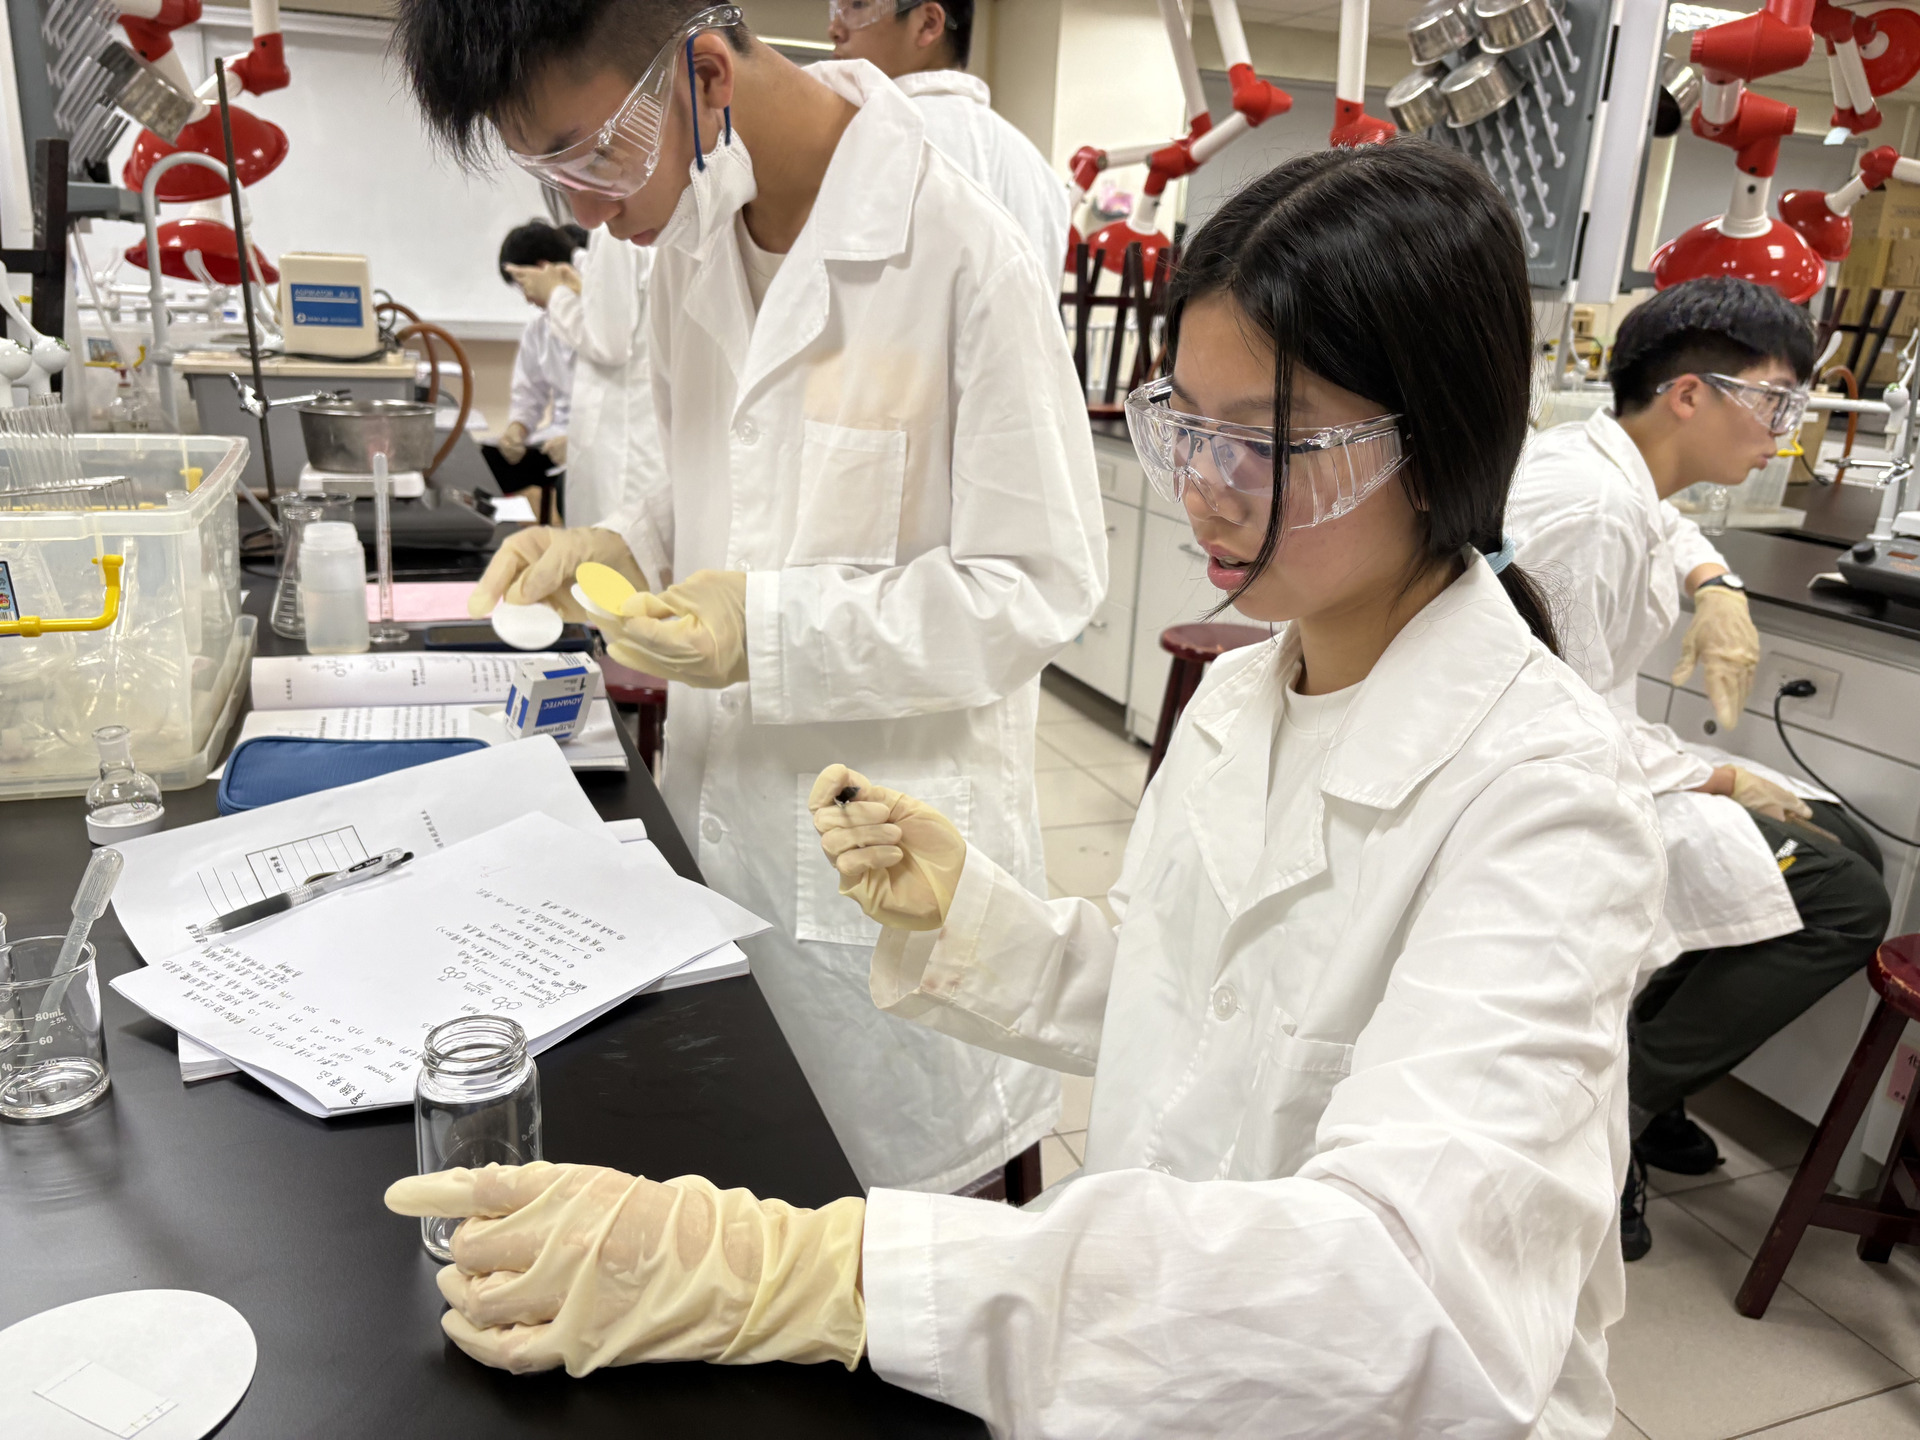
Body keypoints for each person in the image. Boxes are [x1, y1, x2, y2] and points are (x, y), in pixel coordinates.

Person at [387, 142, 1670, 1439]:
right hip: (1157, 1358)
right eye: (1189, 428)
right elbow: (1197, 1003)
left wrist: (822, 1275)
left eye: (1265, 442)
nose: (1206, 489)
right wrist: (979, 924)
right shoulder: (1246, 695)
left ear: (1438, 443)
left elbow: (1405, 1297)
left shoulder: (1549, 799)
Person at [393, 1, 1106, 1195]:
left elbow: (1037, 587)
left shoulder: (959, 254)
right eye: (546, 173)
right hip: (717, 846)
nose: (581, 209)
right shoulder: (689, 246)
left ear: (707, 72)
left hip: (879, 883)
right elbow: (696, 492)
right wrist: (612, 548)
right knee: (727, 1188)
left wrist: (769, 632)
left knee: (883, 1254)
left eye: (586, 153)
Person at [1508, 276, 1890, 1262]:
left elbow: (1665, 522)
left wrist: (1715, 583)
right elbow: (1549, 715)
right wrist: (1722, 780)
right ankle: (1614, 1109)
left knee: (1845, 843)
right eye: (1775, 404)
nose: (1785, 436)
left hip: (1607, 746)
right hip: (1554, 781)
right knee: (1847, 899)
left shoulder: (1609, 464)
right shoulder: (1588, 509)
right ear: (1688, 395)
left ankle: (1647, 1080)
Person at [827, 0, 1070, 270]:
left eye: (858, 5)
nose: (835, 29)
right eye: (836, 9)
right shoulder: (1042, 176)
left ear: (928, 24)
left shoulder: (863, 141)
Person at [514, 228, 668, 531]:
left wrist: (556, 295)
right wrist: (580, 289)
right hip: (624, 443)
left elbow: (608, 343)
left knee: (610, 544)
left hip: (622, 452)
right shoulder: (623, 238)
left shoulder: (613, 234)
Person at [491, 221, 579, 519]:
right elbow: (528, 393)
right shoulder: (538, 330)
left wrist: (581, 443)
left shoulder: (595, 321)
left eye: (522, 284)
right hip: (556, 441)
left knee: (572, 484)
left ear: (543, 269)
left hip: (599, 443)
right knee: (488, 464)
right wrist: (517, 427)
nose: (527, 297)